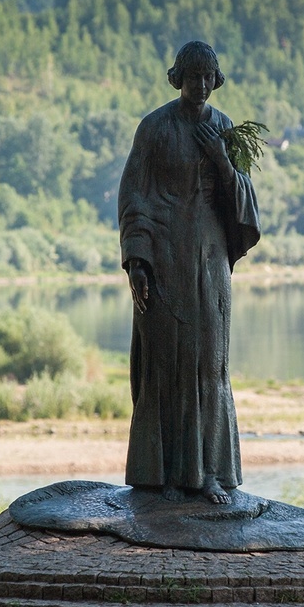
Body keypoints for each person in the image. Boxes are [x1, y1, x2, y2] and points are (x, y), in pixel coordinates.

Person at [117, 41, 260, 505]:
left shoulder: (224, 129)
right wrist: (138, 262)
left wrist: (221, 159)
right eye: (191, 76)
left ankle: (212, 474)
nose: (199, 85)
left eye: (207, 77)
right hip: (166, 257)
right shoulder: (155, 128)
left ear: (215, 79)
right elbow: (133, 197)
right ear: (178, 77)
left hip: (211, 258)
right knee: (167, 363)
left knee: (209, 363)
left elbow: (245, 202)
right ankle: (166, 477)